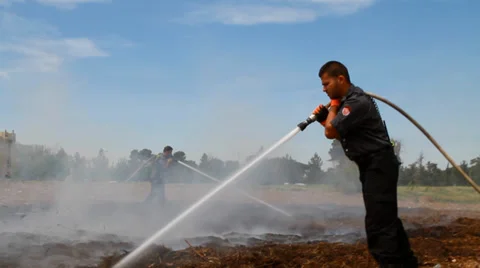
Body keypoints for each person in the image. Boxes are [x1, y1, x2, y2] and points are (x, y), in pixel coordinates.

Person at [299, 61, 418, 268]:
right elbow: (337, 130)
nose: (323, 89)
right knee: (387, 220)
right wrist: (325, 118)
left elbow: (331, 132)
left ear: (341, 79)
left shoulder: (356, 102)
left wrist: (333, 107)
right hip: (374, 165)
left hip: (378, 164)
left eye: (326, 84)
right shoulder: (348, 103)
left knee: (378, 227)